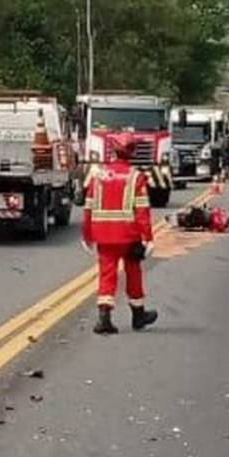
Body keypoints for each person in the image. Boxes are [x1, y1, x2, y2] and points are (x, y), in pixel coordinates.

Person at [81, 132, 158, 335]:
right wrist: (148, 237)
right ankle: (138, 315)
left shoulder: (98, 175)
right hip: (128, 235)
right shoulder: (136, 177)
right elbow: (142, 211)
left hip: (103, 235)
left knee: (107, 274)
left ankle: (104, 318)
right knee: (134, 273)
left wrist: (87, 234)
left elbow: (88, 206)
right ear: (132, 152)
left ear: (113, 150)